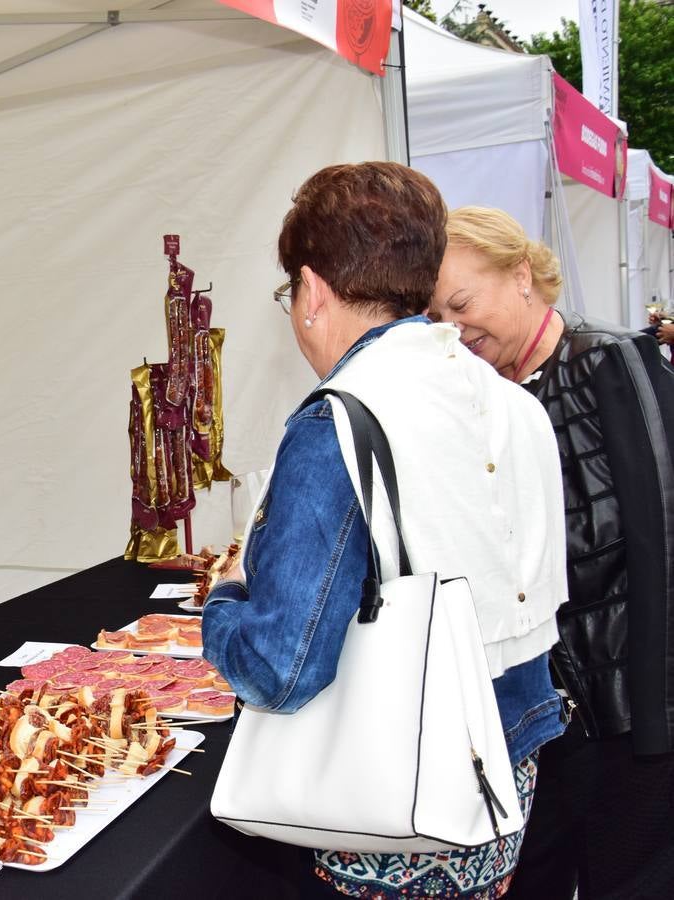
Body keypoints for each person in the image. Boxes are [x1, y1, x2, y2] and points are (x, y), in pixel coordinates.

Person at [202, 163, 569, 898]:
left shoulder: (338, 421)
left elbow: (281, 667)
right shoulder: (513, 400)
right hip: (511, 758)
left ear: (311, 292)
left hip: (401, 780)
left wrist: (225, 600)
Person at [430, 206, 674, 899]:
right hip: (549, 719)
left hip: (631, 713)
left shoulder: (605, 360)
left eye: (462, 302)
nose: (455, 328)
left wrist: (656, 717)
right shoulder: (487, 401)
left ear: (522, 275)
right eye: (436, 317)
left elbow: (660, 531)